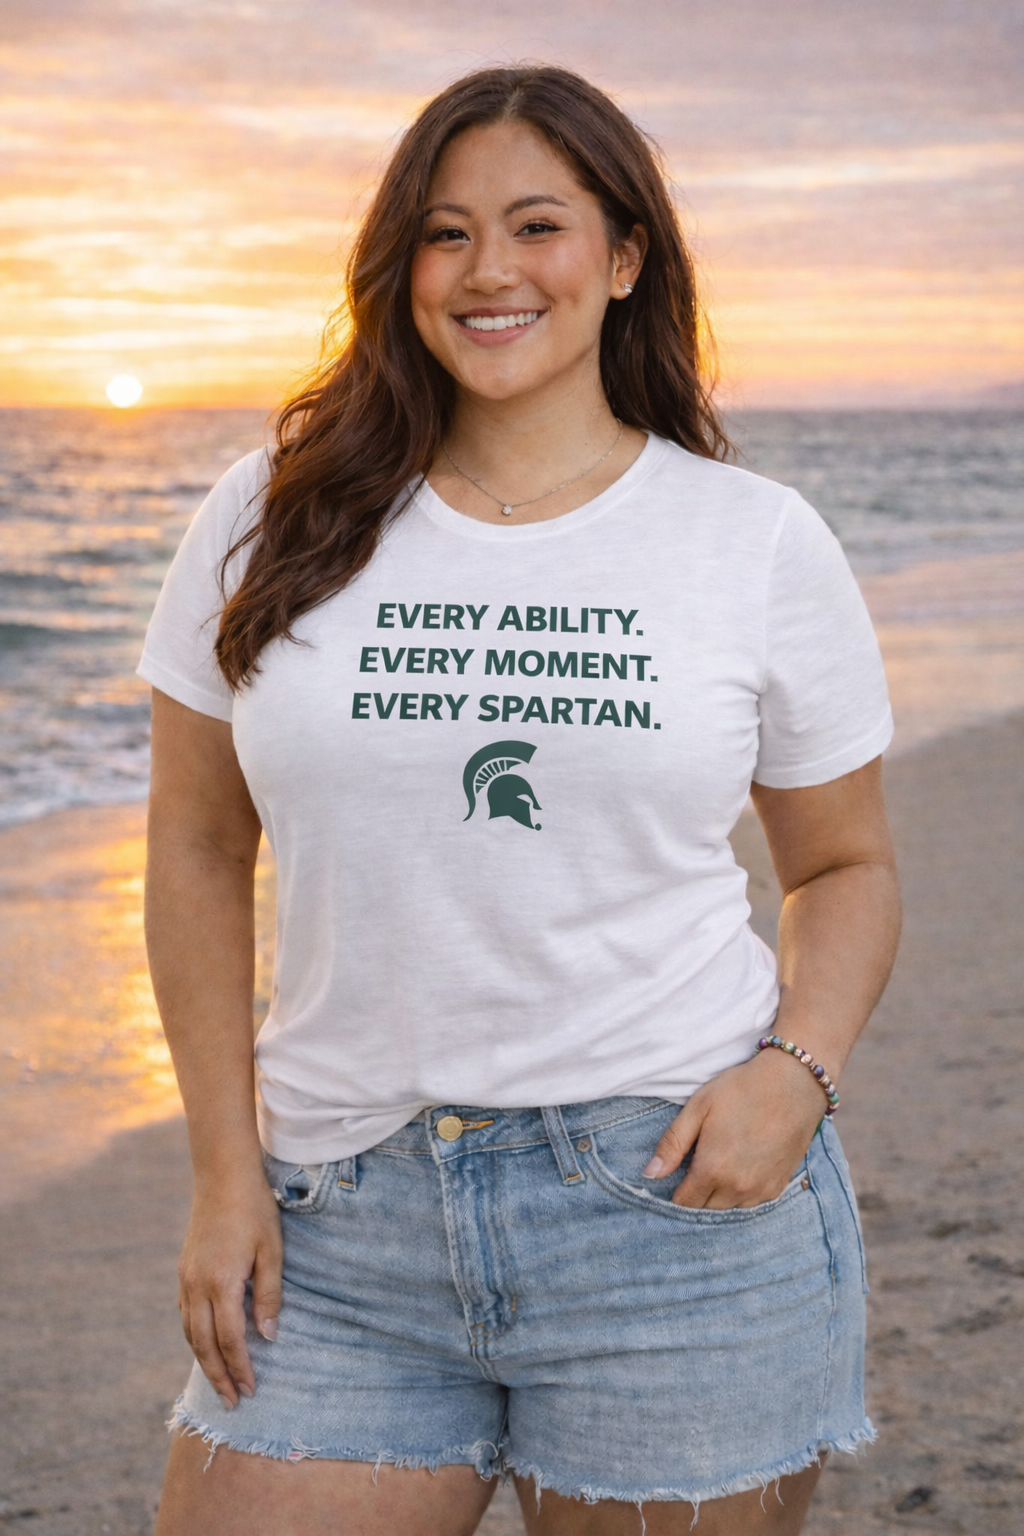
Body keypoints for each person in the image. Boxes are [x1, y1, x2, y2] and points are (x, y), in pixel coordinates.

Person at [139, 64, 901, 1536]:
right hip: (335, 1222)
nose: (489, 270)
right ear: (399, 269)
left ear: (623, 260)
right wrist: (224, 1171)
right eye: (445, 233)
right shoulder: (270, 513)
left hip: (672, 1207)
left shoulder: (749, 540)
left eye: (537, 225)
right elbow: (196, 845)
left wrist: (795, 1078)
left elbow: (845, 867)